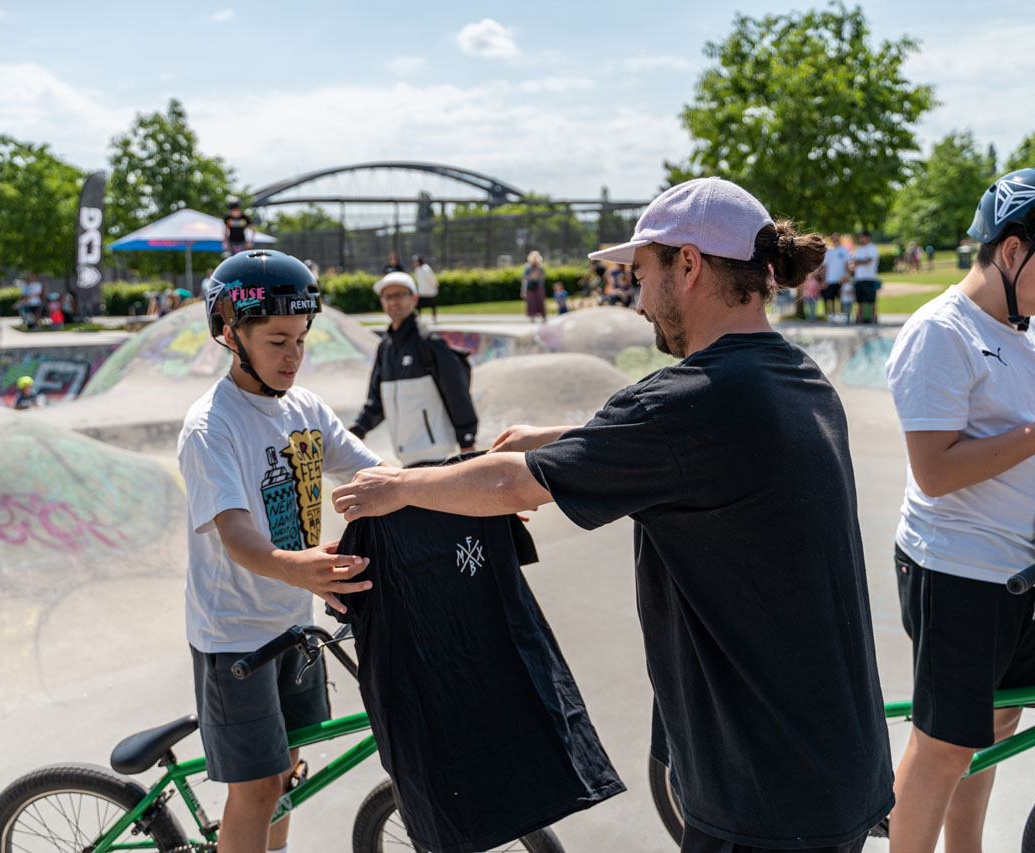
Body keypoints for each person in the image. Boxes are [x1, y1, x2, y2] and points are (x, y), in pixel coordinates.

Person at [333, 177, 894, 852]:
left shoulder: (685, 402)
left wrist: (399, 487)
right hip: (836, 762)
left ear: (689, 265)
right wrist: (562, 437)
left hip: (765, 792)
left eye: (642, 273)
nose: (638, 298)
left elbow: (512, 485)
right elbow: (677, 442)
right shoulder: (795, 377)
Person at [885, 167, 1035, 853]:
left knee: (995, 729)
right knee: (943, 747)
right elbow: (936, 471)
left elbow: (1031, 436)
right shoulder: (940, 332)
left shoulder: (1028, 326)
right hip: (958, 568)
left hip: (1023, 572)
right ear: (1011, 250)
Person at [178, 249, 382, 853]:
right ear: (229, 333)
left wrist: (459, 492)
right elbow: (237, 536)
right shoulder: (211, 427)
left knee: (289, 771)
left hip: (293, 624)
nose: (293, 356)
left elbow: (376, 476)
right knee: (258, 789)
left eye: (300, 340)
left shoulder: (305, 409)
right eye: (276, 341)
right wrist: (303, 568)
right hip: (234, 637)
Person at [348, 271, 477, 466]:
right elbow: (376, 402)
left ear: (414, 299)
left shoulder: (429, 343)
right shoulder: (385, 348)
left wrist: (467, 440)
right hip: (406, 456)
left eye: (400, 295)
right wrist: (355, 433)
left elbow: (456, 393)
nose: (393, 301)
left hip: (435, 455)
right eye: (388, 296)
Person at [849, 230, 880, 324]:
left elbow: (869, 260)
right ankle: (860, 318)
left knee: (871, 300)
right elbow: (854, 262)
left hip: (869, 277)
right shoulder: (859, 249)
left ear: (867, 237)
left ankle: (873, 319)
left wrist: (858, 262)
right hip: (859, 278)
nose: (860, 239)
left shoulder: (872, 247)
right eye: (859, 237)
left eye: (861, 237)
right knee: (860, 300)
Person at [822, 233, 850, 320]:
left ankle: (842, 315)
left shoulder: (844, 250)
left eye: (837, 238)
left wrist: (846, 276)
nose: (835, 240)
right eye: (833, 238)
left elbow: (847, 264)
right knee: (832, 298)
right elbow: (825, 266)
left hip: (841, 278)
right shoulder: (829, 251)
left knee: (841, 298)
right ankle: (833, 315)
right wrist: (824, 279)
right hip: (831, 278)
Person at [411, 254, 440, 321]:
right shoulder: (417, 269)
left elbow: (432, 278)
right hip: (421, 291)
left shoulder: (426, 268)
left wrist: (435, 284)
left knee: (432, 305)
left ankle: (434, 319)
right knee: (419, 306)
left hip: (430, 290)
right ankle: (419, 319)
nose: (415, 263)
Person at [521, 251, 547, 322]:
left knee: (540, 301)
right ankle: (532, 317)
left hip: (538, 286)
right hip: (530, 287)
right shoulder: (528, 267)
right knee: (531, 302)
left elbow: (544, 277)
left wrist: (539, 275)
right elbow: (524, 277)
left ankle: (543, 316)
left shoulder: (540, 267)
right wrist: (531, 275)